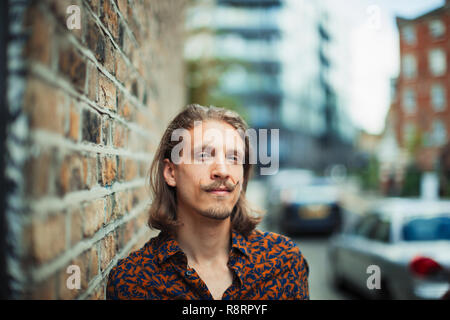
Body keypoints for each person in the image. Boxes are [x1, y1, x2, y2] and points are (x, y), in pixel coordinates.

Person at [106, 104, 309, 300]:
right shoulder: (132, 283)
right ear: (171, 172)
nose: (222, 170)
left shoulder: (284, 263)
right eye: (203, 155)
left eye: (234, 157)